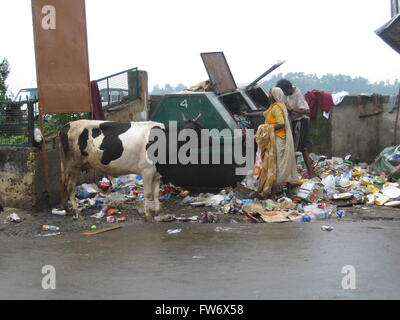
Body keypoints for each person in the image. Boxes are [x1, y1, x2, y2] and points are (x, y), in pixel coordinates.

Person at [243, 87, 299, 197]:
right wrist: (248, 114)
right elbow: (264, 114)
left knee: (275, 164)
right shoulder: (273, 107)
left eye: (270, 93)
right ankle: (282, 191)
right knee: (276, 164)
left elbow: (281, 124)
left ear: (274, 95)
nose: (268, 96)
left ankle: (273, 193)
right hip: (275, 138)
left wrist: (266, 127)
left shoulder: (277, 108)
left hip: (279, 140)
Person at [276, 79, 317, 178]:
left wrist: (292, 109)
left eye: (285, 92)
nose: (285, 94)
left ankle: (295, 174)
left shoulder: (297, 94)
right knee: (303, 148)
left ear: (289, 88)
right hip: (296, 122)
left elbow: (307, 111)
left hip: (301, 122)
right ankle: (310, 172)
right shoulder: (288, 94)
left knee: (297, 148)